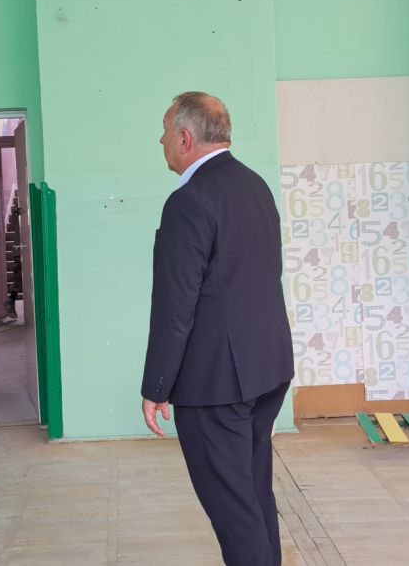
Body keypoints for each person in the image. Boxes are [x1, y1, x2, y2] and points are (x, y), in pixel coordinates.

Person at [141, 92, 295, 566]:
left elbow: (176, 306)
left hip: (217, 383)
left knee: (234, 510)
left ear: (185, 138)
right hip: (267, 368)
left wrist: (157, 386)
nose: (161, 140)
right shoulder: (255, 185)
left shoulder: (188, 201)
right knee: (252, 492)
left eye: (166, 130)